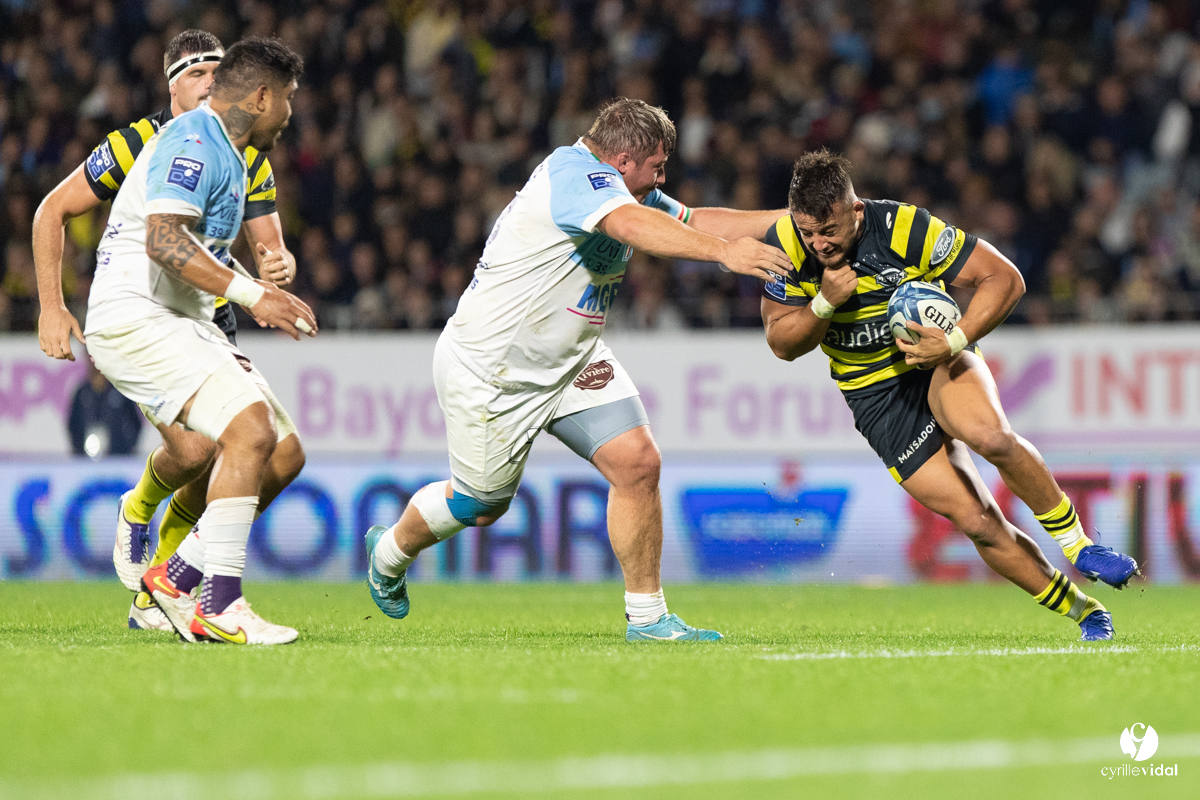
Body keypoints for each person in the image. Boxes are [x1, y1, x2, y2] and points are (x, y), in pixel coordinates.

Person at [364, 98, 792, 641]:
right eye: (656, 167)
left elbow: (690, 217)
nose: (662, 177)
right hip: (495, 368)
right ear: (619, 160)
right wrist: (723, 254)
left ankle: (648, 618)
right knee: (478, 504)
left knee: (638, 463)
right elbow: (631, 224)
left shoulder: (624, 185)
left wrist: (789, 220)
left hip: (571, 357)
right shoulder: (573, 174)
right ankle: (389, 552)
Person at [760, 150, 1138, 641]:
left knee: (990, 436)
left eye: (828, 231)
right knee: (976, 520)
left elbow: (1005, 278)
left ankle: (1080, 547)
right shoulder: (785, 246)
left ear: (856, 210)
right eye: (808, 232)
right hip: (876, 398)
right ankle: (1084, 611)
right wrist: (826, 301)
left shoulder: (902, 227)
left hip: (938, 356)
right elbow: (781, 342)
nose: (818, 244)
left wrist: (954, 340)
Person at [32, 30, 304, 633]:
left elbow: (255, 244)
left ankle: (169, 584)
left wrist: (272, 272)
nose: (207, 81)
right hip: (142, 312)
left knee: (282, 456)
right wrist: (51, 307)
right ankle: (213, 600)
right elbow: (155, 238)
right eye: (286, 97)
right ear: (260, 96)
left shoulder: (241, 156)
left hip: (195, 310)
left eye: (215, 70)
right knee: (216, 444)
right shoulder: (171, 141)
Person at [68, 361, 143, 457]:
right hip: (86, 459)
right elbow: (72, 425)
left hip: (117, 458)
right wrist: (78, 450)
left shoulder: (119, 390)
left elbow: (135, 422)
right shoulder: (82, 392)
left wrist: (127, 447)